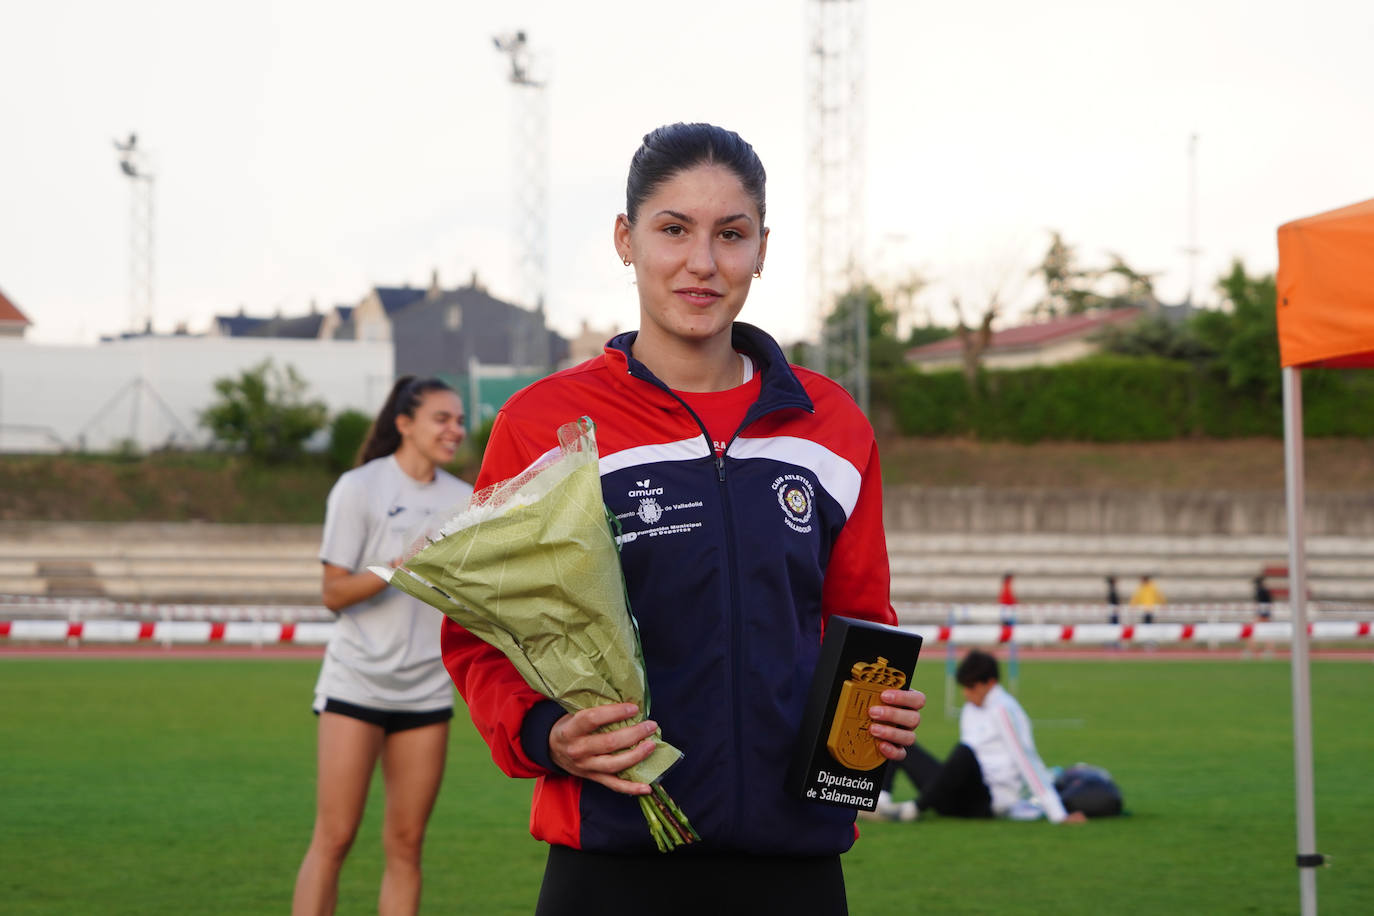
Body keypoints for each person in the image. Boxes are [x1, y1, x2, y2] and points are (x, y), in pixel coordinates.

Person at [439, 122, 925, 915]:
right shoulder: (547, 425)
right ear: (627, 240)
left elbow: (860, 622)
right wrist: (543, 736)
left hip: (791, 869)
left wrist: (876, 717)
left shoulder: (831, 425)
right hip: (613, 861)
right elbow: (482, 635)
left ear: (761, 248)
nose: (703, 263)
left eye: (730, 235)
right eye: (674, 230)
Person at [293, 376, 473, 916]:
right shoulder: (359, 488)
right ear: (404, 423)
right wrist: (398, 569)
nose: (455, 429)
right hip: (357, 684)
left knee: (406, 846)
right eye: (442, 418)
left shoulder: (463, 500)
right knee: (335, 838)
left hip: (426, 693)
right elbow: (333, 593)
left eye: (460, 420)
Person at [868, 650, 1085, 824]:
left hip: (987, 800)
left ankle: (912, 810)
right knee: (901, 739)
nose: (966, 694)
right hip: (958, 793)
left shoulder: (1005, 710)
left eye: (971, 687)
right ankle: (879, 805)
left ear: (990, 683)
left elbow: (1027, 760)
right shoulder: (971, 709)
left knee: (964, 752)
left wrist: (1058, 814)